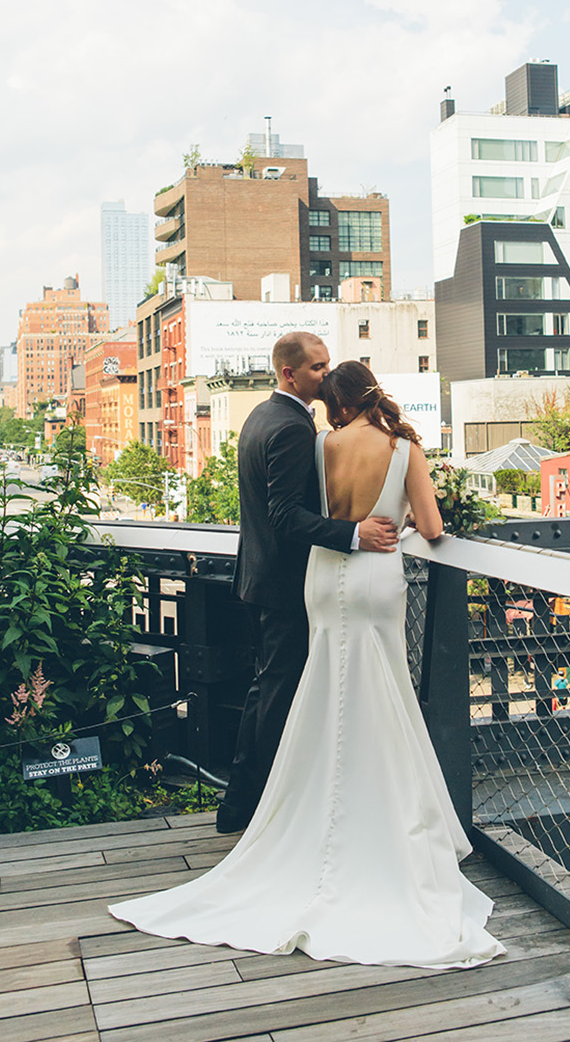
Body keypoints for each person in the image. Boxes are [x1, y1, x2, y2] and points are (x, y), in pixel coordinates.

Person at [109, 362, 506, 970]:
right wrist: (397, 521)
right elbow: (431, 527)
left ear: (338, 403)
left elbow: (297, 513)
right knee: (382, 695)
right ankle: (387, 824)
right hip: (376, 579)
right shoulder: (405, 448)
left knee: (322, 694)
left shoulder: (319, 444)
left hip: (323, 579)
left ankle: (308, 815)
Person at [213, 332, 399, 835]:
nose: (326, 374)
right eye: (317, 368)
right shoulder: (293, 429)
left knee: (267, 690)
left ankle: (244, 804)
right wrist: (354, 533)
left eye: (327, 364)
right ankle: (257, 809)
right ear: (290, 374)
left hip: (257, 577)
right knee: (278, 694)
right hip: (284, 584)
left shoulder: (260, 416)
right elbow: (285, 517)